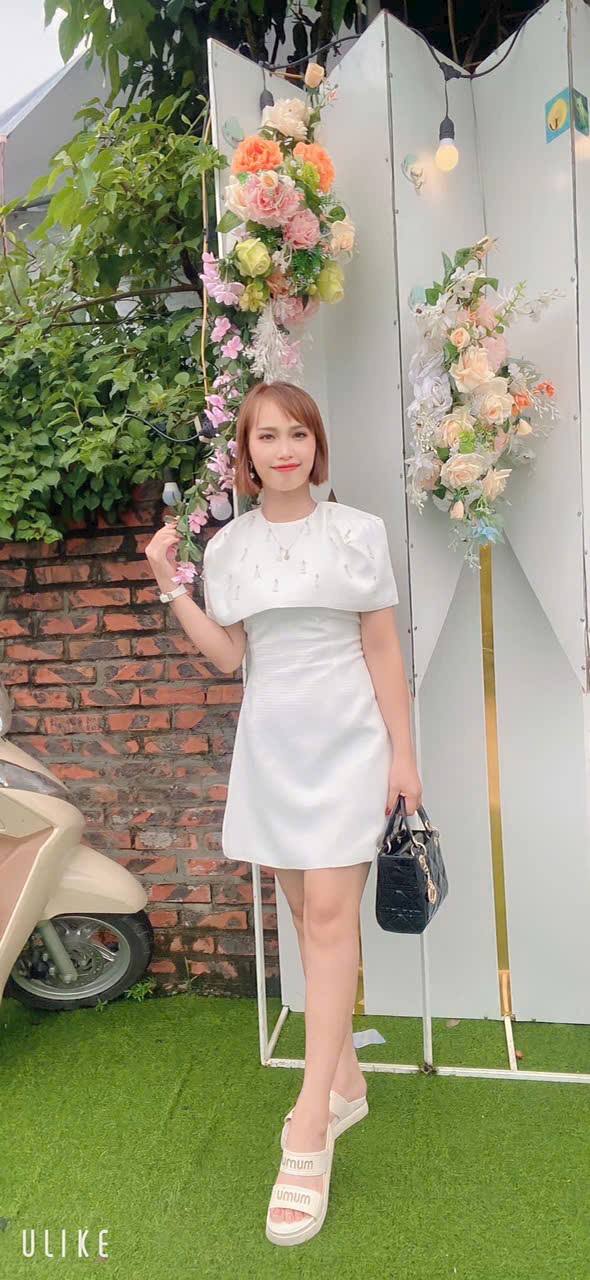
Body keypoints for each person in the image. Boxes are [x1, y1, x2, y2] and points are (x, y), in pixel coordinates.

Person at [145, 379, 422, 1248]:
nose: (285, 449)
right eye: (267, 436)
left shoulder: (358, 532)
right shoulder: (227, 548)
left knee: (332, 918)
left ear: (316, 445)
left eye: (298, 433)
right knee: (308, 920)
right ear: (246, 453)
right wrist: (170, 584)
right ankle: (346, 1083)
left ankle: (308, 1126)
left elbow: (381, 645)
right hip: (273, 750)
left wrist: (404, 757)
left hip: (350, 746)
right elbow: (230, 656)